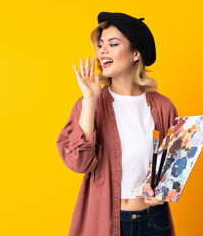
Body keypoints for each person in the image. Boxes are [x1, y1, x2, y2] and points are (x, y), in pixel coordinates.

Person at [57, 12, 178, 236]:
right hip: (107, 221)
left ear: (135, 53)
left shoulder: (163, 108)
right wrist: (90, 101)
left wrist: (161, 191)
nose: (103, 51)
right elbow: (78, 162)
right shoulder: (89, 104)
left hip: (155, 221)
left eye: (113, 44)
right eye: (101, 45)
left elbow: (171, 172)